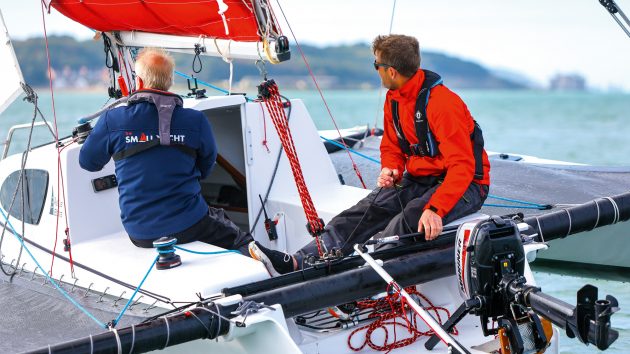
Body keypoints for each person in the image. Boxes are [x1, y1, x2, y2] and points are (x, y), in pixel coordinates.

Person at [249, 34, 490, 276]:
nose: (377, 71)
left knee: (406, 221)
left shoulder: (443, 105)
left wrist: (436, 209)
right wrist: (391, 168)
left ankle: (362, 279)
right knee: (364, 211)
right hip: (422, 178)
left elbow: (462, 167)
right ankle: (298, 261)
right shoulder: (394, 100)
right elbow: (392, 146)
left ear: (392, 71)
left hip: (466, 185)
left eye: (377, 65)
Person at [79, 48, 253, 255]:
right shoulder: (195, 120)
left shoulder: (112, 120)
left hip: (140, 233)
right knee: (238, 236)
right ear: (169, 81)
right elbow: (206, 166)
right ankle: (287, 264)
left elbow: (88, 162)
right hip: (190, 225)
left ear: (140, 82)